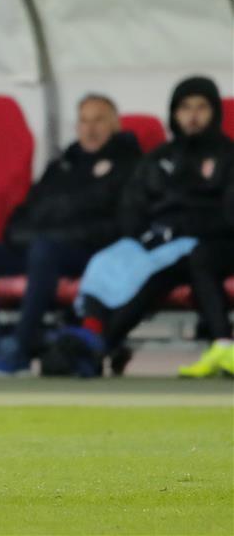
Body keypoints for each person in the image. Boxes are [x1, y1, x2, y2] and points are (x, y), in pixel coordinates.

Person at [73, 76, 234, 375]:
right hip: (160, 244)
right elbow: (132, 206)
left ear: (214, 112)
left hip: (212, 241)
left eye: (201, 107)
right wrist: (144, 235)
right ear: (174, 113)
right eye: (185, 107)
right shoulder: (159, 158)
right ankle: (94, 341)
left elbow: (228, 214)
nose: (193, 115)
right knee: (109, 260)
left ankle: (222, 344)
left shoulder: (227, 156)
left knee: (171, 269)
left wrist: (182, 229)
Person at [0, 95, 141, 376]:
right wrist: (37, 234)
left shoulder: (130, 165)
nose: (90, 128)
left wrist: (50, 232)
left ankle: (20, 347)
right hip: (42, 248)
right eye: (84, 120)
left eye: (99, 120)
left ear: (115, 124)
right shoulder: (62, 165)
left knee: (44, 251)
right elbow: (21, 219)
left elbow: (118, 227)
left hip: (92, 255)